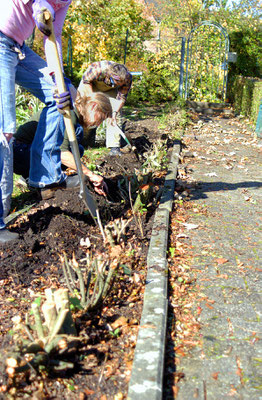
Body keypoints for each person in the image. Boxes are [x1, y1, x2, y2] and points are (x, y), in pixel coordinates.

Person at [0, 0, 75, 244]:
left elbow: (53, 38)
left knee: (61, 95)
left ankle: (45, 175)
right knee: (5, 132)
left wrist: (58, 80)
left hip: (17, 48)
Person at [13, 92, 112, 201]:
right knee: (72, 150)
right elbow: (62, 153)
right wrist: (90, 174)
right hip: (20, 153)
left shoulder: (74, 114)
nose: (98, 123)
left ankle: (33, 179)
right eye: (101, 118)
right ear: (93, 107)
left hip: (22, 153)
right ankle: (47, 183)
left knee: (78, 149)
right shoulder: (68, 115)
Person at [77, 61, 133, 156]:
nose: (119, 85)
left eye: (121, 84)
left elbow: (121, 98)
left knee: (115, 115)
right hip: (90, 85)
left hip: (110, 91)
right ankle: (83, 139)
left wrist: (114, 112)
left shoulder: (127, 78)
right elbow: (86, 81)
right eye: (117, 83)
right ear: (110, 76)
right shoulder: (97, 69)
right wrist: (93, 100)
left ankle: (114, 147)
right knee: (84, 110)